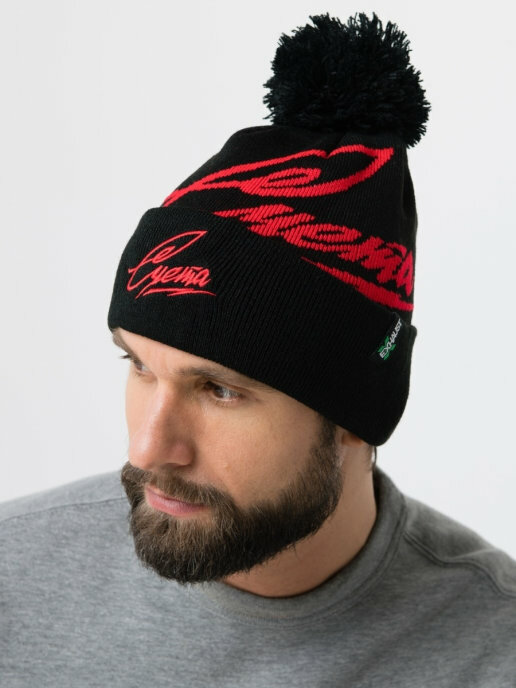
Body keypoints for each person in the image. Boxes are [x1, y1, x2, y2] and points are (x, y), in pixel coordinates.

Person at [1, 12, 515, 687]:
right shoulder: (12, 579)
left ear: (356, 414)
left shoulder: (494, 650)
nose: (148, 451)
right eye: (139, 366)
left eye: (220, 390)